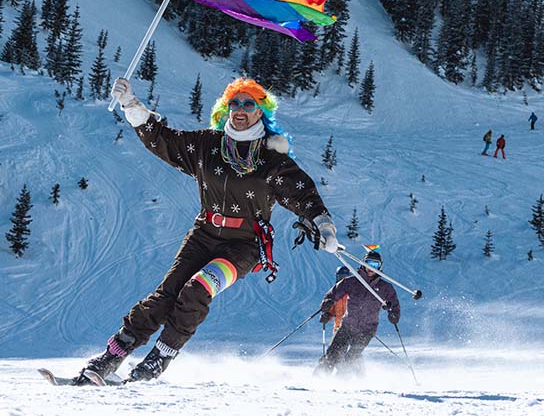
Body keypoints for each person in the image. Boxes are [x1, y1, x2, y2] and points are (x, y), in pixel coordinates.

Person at [72, 76, 339, 384]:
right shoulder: (206, 145)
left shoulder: (271, 160)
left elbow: (304, 195)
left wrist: (324, 226)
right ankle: (110, 358)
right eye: (233, 103)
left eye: (248, 104)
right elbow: (162, 140)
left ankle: (157, 361)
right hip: (203, 236)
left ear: (260, 111)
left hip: (243, 247)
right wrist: (131, 105)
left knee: (197, 289)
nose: (239, 110)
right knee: (165, 296)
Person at [315, 248, 400, 374]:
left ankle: (342, 382)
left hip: (367, 330)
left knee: (351, 358)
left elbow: (394, 304)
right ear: (363, 263)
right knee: (332, 354)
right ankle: (319, 379)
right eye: (368, 263)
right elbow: (334, 292)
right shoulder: (352, 282)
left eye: (375, 265)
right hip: (347, 325)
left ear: (380, 267)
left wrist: (393, 314)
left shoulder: (384, 287)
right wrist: (327, 303)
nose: (371, 267)